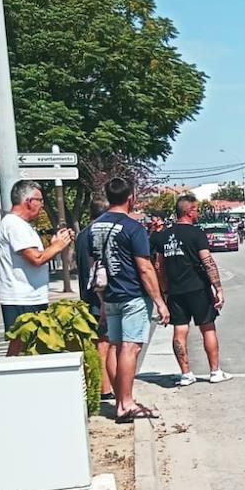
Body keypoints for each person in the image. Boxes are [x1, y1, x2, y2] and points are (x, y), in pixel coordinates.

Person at [89, 176, 170, 422]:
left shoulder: (95, 226)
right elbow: (144, 267)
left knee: (115, 345)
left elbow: (95, 266)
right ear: (131, 198)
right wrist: (160, 302)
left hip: (109, 294)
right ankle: (126, 403)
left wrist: (101, 300)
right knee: (130, 347)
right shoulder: (133, 228)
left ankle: (119, 401)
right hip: (132, 294)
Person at [154, 194, 229, 386]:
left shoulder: (164, 236)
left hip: (175, 291)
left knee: (180, 330)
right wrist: (218, 288)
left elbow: (159, 267)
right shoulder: (196, 234)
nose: (198, 213)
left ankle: (186, 374)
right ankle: (215, 371)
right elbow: (207, 261)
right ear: (189, 212)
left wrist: (164, 291)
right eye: (196, 210)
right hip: (198, 288)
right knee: (207, 327)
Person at [0, 179, 74, 355]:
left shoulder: (20, 225)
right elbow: (36, 258)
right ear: (29, 201)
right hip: (21, 297)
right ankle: (10, 372)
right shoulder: (15, 225)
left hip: (29, 296)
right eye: (40, 200)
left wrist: (54, 245)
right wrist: (58, 246)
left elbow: (37, 255)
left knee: (31, 346)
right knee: (21, 345)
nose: (42, 205)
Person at [77, 198, 114, 400]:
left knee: (96, 340)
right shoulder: (98, 234)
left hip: (86, 293)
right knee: (104, 341)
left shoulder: (82, 234)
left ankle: (100, 385)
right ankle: (104, 388)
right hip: (99, 295)